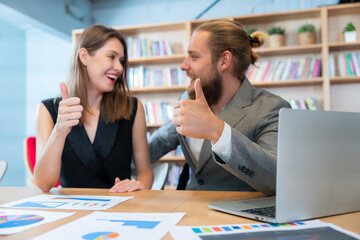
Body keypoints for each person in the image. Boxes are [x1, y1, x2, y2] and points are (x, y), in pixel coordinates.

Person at [148, 19, 291, 196]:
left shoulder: (271, 108)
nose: (183, 65)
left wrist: (217, 131)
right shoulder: (188, 98)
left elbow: (276, 178)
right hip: (188, 211)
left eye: (194, 57)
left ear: (224, 60)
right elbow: (157, 144)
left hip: (237, 218)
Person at [34, 25, 153, 193]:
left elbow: (145, 171)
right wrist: (59, 130)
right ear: (84, 56)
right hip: (73, 212)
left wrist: (140, 185)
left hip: (121, 210)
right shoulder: (48, 110)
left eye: (121, 60)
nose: (119, 68)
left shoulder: (133, 108)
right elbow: (44, 183)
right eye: (111, 57)